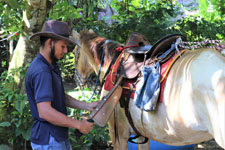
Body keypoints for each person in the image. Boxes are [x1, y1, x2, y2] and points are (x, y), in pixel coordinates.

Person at [25, 20, 98, 150]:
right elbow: (45, 112)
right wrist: (79, 124)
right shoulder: (42, 71)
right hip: (49, 140)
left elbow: (60, 96)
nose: (65, 51)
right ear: (49, 43)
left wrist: (87, 106)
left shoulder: (51, 65)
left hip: (56, 137)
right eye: (63, 46)